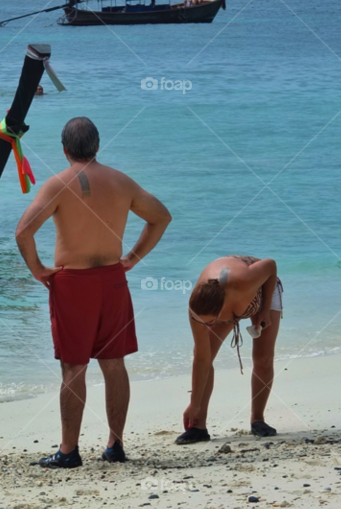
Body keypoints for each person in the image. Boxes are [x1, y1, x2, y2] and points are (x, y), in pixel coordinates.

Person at [15, 117, 171, 468]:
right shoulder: (121, 181)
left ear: (65, 150)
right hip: (113, 280)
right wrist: (131, 258)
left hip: (74, 284)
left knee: (74, 367)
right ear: (97, 146)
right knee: (114, 364)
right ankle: (115, 445)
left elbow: (23, 232)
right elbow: (161, 217)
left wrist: (38, 270)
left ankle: (69, 451)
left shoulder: (58, 184)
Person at [178, 256, 283, 444]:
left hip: (263, 289)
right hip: (229, 299)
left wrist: (265, 309)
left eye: (211, 322)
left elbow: (270, 265)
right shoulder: (197, 309)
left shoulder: (244, 280)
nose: (206, 326)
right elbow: (201, 359)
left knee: (263, 358)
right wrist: (194, 403)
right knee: (204, 354)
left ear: (222, 311)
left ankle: (258, 420)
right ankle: (198, 425)